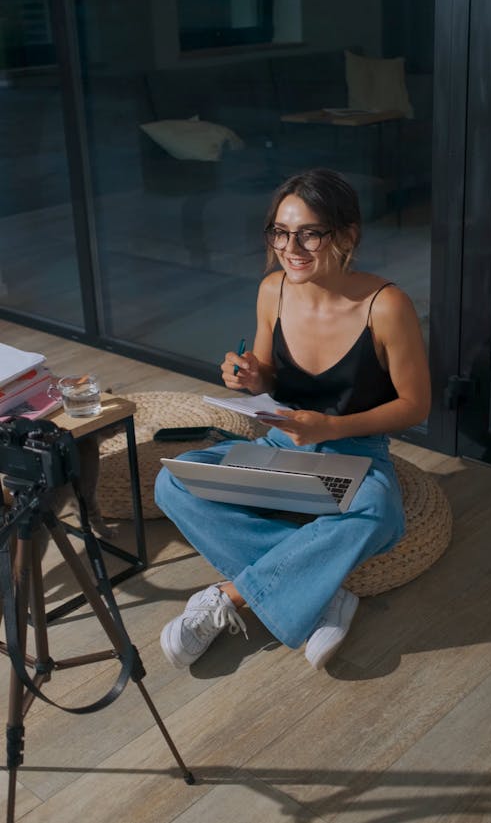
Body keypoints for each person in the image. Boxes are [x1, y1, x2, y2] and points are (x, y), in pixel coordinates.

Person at [154, 167, 431, 670]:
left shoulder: (386, 306)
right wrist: (248, 378)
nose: (291, 246)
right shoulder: (272, 291)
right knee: (173, 483)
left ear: (346, 235)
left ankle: (232, 596)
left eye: (309, 232)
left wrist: (331, 428)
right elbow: (267, 378)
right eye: (281, 232)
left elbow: (416, 405)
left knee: (379, 510)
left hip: (357, 453)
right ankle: (322, 594)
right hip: (282, 448)